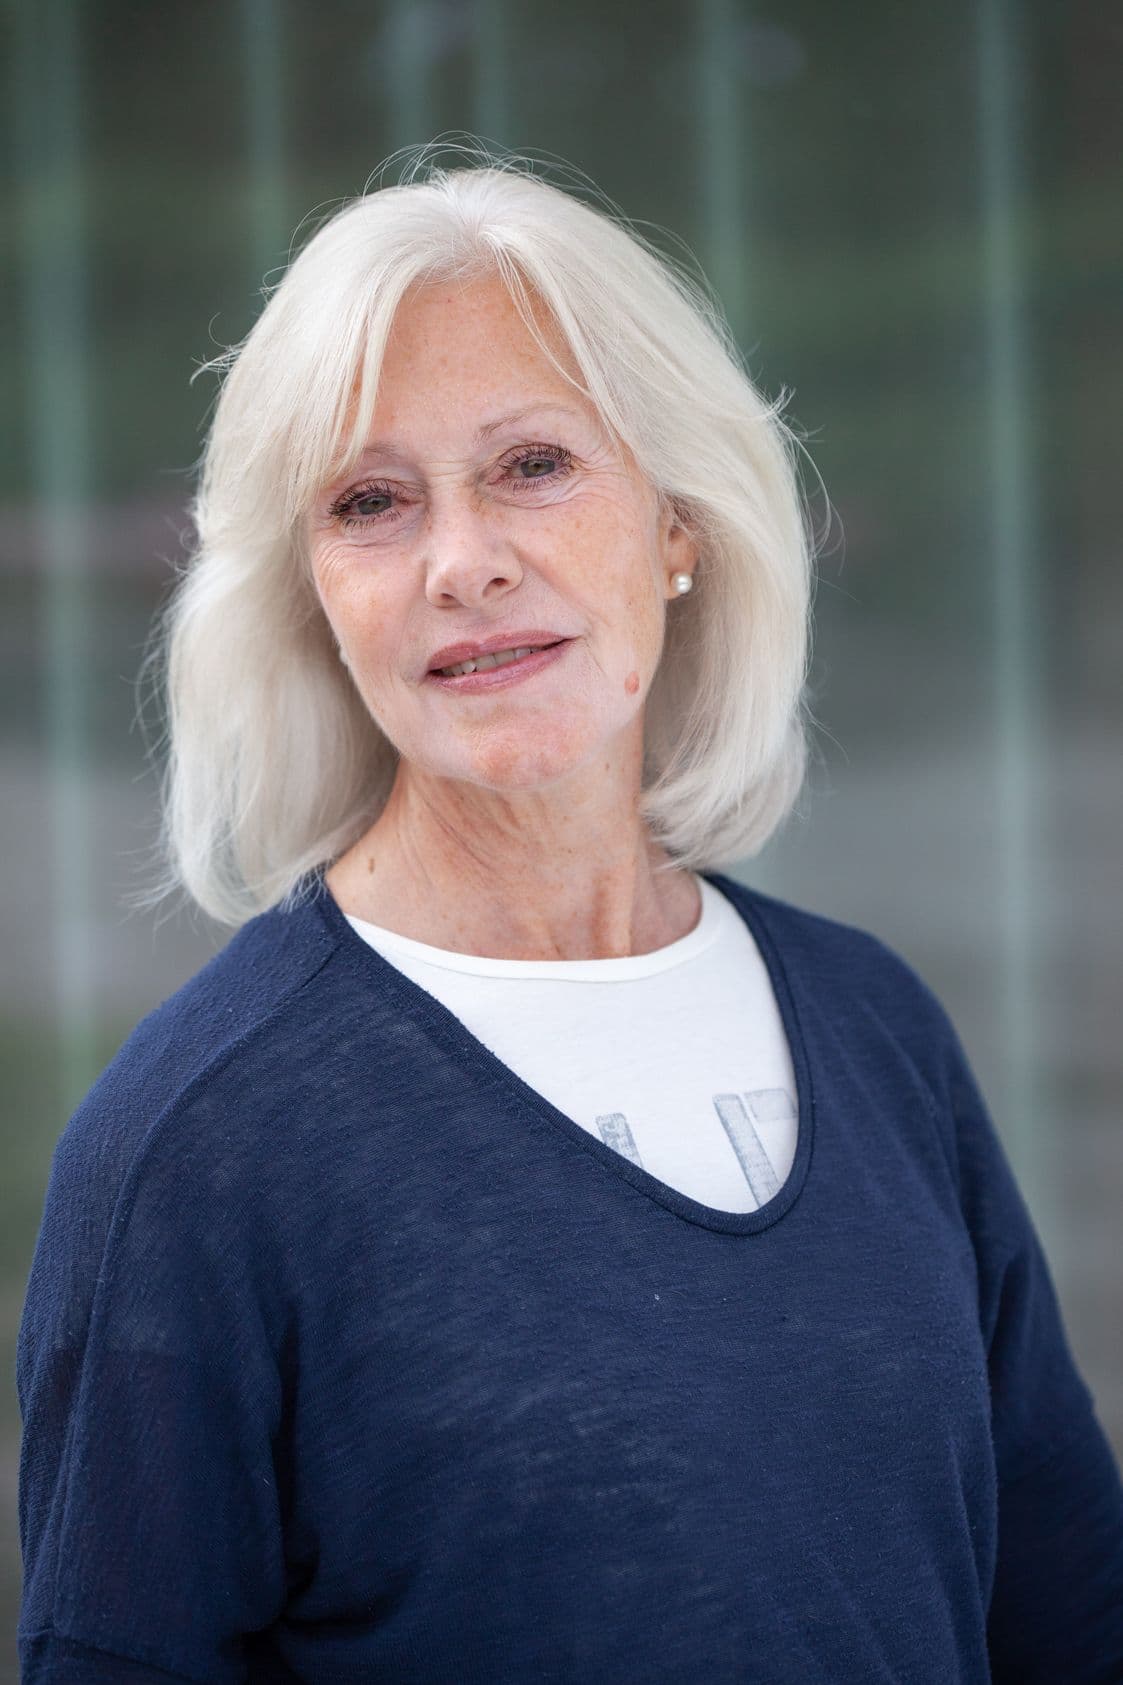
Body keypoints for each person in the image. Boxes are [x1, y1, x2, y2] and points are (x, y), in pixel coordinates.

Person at [16, 149, 1123, 1684]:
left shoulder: (878, 1031)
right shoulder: (194, 1147)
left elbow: (1071, 1622)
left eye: (533, 464)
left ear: (677, 524)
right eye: (372, 501)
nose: (463, 562)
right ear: (316, 595)